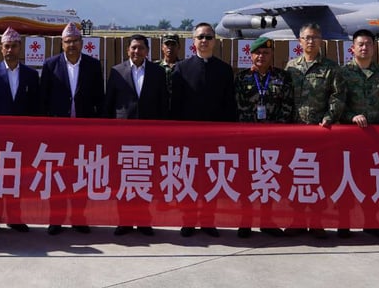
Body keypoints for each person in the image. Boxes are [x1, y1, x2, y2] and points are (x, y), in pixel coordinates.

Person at [169, 22, 236, 237]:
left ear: (215, 41)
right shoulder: (181, 69)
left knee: (212, 179)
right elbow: (175, 105)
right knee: (188, 179)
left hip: (215, 137)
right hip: (189, 137)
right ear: (193, 42)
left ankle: (208, 220)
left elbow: (229, 105)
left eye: (208, 37)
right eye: (200, 37)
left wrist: (228, 135)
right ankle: (188, 219)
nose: (204, 41)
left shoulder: (224, 70)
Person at [40, 22, 104, 234]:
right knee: (57, 177)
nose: (72, 45)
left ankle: (79, 217)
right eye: (68, 41)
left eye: (76, 41)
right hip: (58, 134)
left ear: (82, 42)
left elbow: (99, 100)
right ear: (62, 44)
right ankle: (56, 219)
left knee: (80, 177)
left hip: (83, 133)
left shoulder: (93, 66)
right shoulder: (50, 65)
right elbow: (44, 100)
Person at [103, 34, 169, 236]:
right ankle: (124, 220)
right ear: (127, 50)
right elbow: (109, 104)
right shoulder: (117, 71)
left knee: (145, 178)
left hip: (149, 135)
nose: (136, 51)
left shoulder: (158, 72)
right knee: (123, 178)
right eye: (133, 48)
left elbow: (163, 104)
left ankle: (144, 220)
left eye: (141, 48)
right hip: (123, 135)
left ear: (147, 51)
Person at [283, 23, 343, 238]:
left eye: (315, 38)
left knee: (318, 177)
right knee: (296, 176)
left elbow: (337, 96)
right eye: (307, 38)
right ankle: (296, 220)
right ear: (299, 41)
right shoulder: (291, 67)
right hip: (295, 132)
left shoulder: (330, 68)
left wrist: (329, 117)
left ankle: (317, 221)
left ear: (321, 41)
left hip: (320, 132)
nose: (311, 41)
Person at [0, 27, 39, 234]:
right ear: (0, 48)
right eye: (7, 46)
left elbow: (35, 109)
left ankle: (15, 217)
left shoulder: (31, 75)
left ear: (20, 48)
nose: (10, 50)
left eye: (14, 46)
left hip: (21, 138)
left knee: (17, 179)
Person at [339, 29, 379, 239]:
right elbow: (336, 103)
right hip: (350, 136)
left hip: (375, 137)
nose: (364, 47)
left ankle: (371, 221)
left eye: (368, 44)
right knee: (347, 179)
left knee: (372, 180)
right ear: (352, 48)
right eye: (360, 44)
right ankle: (343, 222)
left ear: (374, 47)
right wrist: (352, 115)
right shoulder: (343, 73)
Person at [235, 36, 294, 238]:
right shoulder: (242, 79)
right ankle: (245, 221)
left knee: (268, 180)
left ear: (271, 55)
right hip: (248, 139)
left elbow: (287, 107)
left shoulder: (282, 77)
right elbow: (237, 109)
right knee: (246, 181)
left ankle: (267, 221)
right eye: (258, 53)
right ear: (251, 55)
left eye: (266, 53)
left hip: (272, 139)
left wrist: (275, 130)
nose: (261, 56)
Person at [158, 33, 182, 110]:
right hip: (160, 108)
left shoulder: (184, 67)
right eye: (167, 44)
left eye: (173, 44)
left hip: (179, 108)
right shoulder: (155, 67)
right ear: (162, 47)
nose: (170, 47)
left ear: (179, 47)